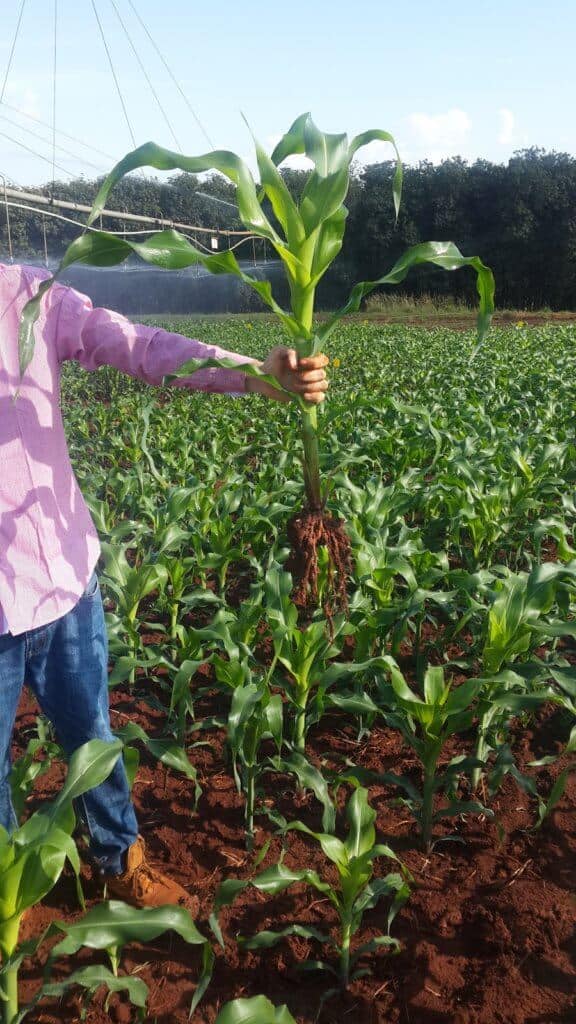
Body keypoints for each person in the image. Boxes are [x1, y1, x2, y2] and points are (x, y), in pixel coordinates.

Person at [0, 261, 329, 912]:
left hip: (62, 577)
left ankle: (119, 861)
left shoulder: (27, 296)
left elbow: (138, 344)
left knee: (94, 738)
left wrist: (258, 375)